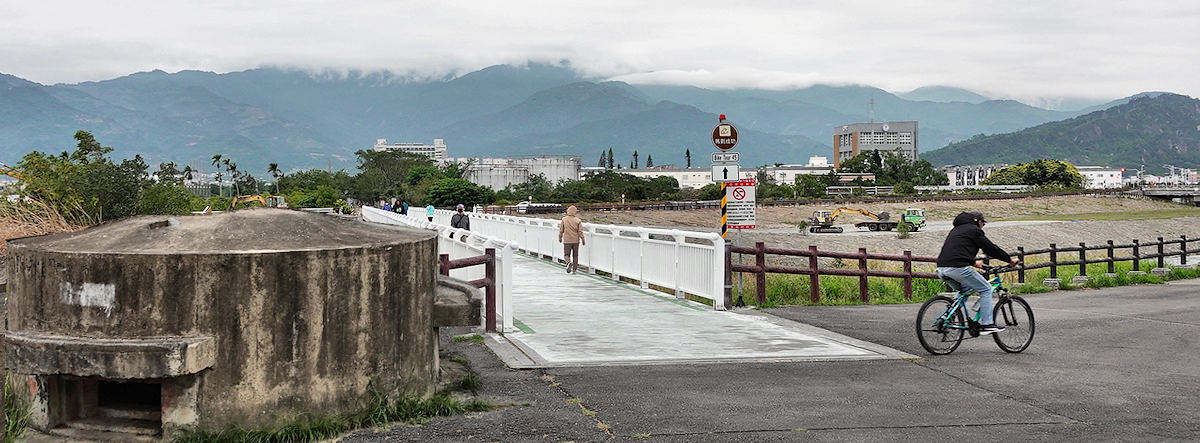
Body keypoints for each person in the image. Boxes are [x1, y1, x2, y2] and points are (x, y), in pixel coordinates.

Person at [936, 211, 1019, 335]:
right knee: (986, 289)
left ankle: (948, 317)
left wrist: (974, 263)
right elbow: (990, 248)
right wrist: (1009, 260)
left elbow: (957, 251)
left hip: (942, 269)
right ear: (977, 221)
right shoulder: (974, 230)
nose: (983, 225)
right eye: (983, 222)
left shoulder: (956, 230)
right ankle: (987, 324)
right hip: (958, 268)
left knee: (964, 291)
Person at [558, 205, 586, 273]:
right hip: (576, 241)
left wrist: (560, 237)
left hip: (567, 240)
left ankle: (568, 262)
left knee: (566, 254)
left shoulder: (564, 219)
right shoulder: (578, 220)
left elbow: (561, 230)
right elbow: (580, 232)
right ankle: (574, 270)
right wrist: (583, 239)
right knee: (575, 256)